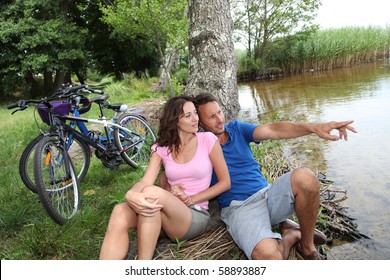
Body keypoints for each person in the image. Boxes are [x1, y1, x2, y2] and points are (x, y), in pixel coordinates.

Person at [191, 93, 357, 260]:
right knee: (270, 257)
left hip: (268, 196)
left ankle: (307, 246)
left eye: (219, 112)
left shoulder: (236, 129)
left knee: (306, 177)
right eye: (212, 117)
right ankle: (291, 235)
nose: (220, 119)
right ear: (200, 123)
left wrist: (314, 128)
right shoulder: (197, 147)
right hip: (240, 208)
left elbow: (273, 129)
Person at [99, 95, 230, 260]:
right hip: (165, 209)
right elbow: (146, 180)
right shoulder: (161, 149)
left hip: (194, 215)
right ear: (175, 121)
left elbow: (225, 183)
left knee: (152, 194)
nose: (195, 118)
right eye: (188, 115)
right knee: (119, 211)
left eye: (195, 113)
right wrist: (130, 196)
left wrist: (191, 199)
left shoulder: (207, 140)